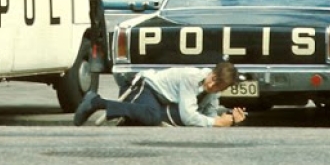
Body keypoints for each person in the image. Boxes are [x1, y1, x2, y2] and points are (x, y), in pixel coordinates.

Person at [74, 62, 247, 127]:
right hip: (145, 86)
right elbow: (189, 117)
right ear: (212, 72)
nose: (212, 85)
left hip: (159, 99)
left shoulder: (213, 92)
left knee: (156, 115)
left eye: (218, 86)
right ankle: (96, 102)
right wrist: (217, 122)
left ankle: (129, 118)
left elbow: (207, 116)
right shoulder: (192, 77)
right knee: (153, 116)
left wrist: (230, 119)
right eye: (213, 79)